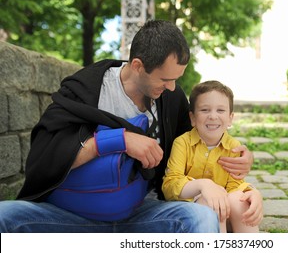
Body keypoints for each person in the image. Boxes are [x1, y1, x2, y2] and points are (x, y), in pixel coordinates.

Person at [0, 20, 258, 233]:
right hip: (73, 217)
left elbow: (196, 147)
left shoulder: (171, 97)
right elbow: (46, 157)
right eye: (165, 79)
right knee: (5, 215)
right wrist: (119, 140)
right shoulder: (86, 91)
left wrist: (240, 160)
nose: (171, 87)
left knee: (200, 219)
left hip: (143, 216)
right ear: (137, 66)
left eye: (176, 79)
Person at [162, 81, 262, 233]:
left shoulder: (233, 146)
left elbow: (235, 186)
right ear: (193, 118)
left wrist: (251, 192)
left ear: (230, 118)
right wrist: (203, 185)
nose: (213, 116)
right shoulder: (182, 143)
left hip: (226, 211)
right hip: (194, 213)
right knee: (209, 202)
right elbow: (170, 185)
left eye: (220, 110)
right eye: (204, 110)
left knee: (240, 200)